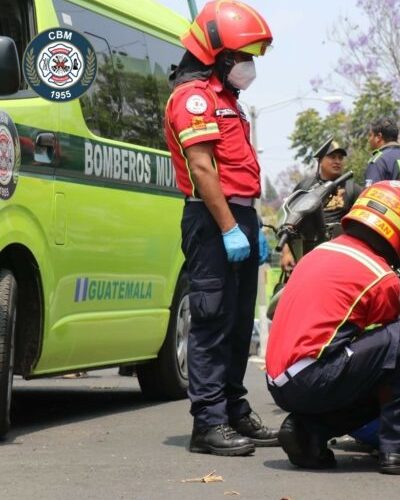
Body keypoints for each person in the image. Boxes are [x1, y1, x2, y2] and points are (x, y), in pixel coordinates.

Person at [266, 181, 400, 475]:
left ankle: (309, 431)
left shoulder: (320, 253)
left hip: (280, 381)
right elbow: (393, 356)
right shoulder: (381, 277)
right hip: (312, 377)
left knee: (375, 363)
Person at [163, 0, 278, 456]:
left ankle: (233, 410)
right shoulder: (193, 99)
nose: (249, 67)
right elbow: (203, 168)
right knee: (210, 319)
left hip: (240, 216)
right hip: (213, 218)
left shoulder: (228, 101)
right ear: (221, 56)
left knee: (236, 321)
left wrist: (252, 225)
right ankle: (207, 424)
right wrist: (230, 226)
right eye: (243, 57)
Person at [279, 138, 362, 272]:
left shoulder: (353, 189)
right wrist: (286, 253)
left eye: (340, 158)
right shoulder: (305, 187)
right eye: (332, 157)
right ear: (320, 160)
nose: (337, 161)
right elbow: (287, 223)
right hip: (308, 256)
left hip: (340, 258)